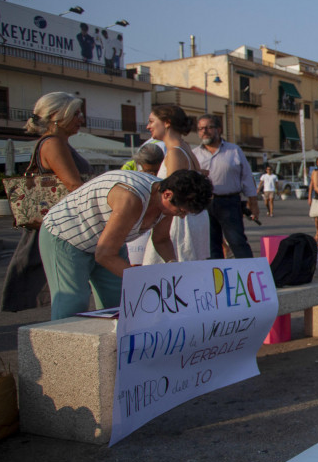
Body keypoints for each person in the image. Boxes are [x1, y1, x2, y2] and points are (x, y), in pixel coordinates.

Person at [39, 169, 213, 320]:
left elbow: (161, 239)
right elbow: (105, 255)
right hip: (67, 236)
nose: (182, 216)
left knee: (120, 303)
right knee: (72, 304)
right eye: (182, 211)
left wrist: (173, 267)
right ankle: (62, 356)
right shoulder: (131, 199)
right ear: (168, 195)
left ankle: (111, 353)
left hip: (108, 242)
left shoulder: (165, 201)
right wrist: (145, 280)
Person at [1, 92, 89, 312]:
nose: (81, 118)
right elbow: (74, 185)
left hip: (62, 225)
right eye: (76, 113)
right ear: (56, 116)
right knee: (71, 294)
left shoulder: (58, 143)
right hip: (64, 228)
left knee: (72, 292)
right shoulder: (53, 144)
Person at [142, 105, 209, 264]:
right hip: (192, 216)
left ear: (167, 123)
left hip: (178, 218)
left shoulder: (175, 152)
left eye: (152, 121)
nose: (148, 126)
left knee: (172, 267)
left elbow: (173, 192)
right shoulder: (185, 147)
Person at [192, 114, 258, 259]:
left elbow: (247, 176)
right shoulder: (194, 154)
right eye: (201, 128)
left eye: (209, 127)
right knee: (210, 245)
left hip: (229, 203)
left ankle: (248, 274)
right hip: (203, 205)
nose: (204, 131)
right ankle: (216, 278)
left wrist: (253, 202)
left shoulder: (234, 151)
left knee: (237, 242)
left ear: (219, 129)